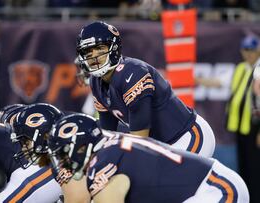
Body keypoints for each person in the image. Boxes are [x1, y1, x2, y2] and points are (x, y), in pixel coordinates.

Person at [75, 21, 215, 158]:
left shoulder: (132, 73)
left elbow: (139, 142)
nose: (94, 56)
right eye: (88, 52)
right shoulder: (95, 82)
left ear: (114, 48)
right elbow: (108, 134)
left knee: (166, 178)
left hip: (185, 136)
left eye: (100, 48)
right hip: (160, 146)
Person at [48, 113, 250, 203]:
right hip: (210, 185)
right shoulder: (109, 147)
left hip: (216, 188)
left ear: (82, 146)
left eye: (63, 152)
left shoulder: (103, 161)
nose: (63, 159)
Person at [226, 35, 260, 203]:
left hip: (254, 126)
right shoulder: (241, 68)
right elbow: (227, 87)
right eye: (245, 50)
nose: (248, 54)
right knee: (244, 166)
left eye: (252, 50)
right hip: (241, 125)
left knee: (255, 168)